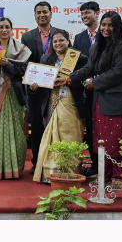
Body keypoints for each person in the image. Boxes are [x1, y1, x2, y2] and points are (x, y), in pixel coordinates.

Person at [61, 11, 122, 190]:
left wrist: (94, 83)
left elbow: (119, 72)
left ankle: (120, 176)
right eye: (104, 25)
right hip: (102, 100)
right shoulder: (96, 47)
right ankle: (105, 174)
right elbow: (88, 68)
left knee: (119, 139)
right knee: (103, 139)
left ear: (117, 27)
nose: (106, 28)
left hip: (121, 101)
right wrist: (68, 79)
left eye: (111, 25)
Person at [31, 29, 89, 183]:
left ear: (68, 41)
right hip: (52, 102)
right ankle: (51, 173)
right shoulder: (45, 59)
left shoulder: (80, 58)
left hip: (72, 102)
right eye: (55, 41)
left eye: (61, 40)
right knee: (52, 137)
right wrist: (35, 87)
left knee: (71, 136)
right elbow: (41, 82)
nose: (58, 44)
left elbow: (84, 81)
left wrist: (69, 81)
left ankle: (72, 172)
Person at [0, 17, 31, 179]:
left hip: (14, 94)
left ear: (12, 30)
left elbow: (25, 71)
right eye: (1, 27)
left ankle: (15, 168)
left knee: (17, 132)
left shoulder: (21, 49)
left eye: (7, 27)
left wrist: (9, 65)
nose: (4, 30)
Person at [21, 2, 53, 174]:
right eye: (38, 12)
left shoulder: (60, 34)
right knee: (37, 126)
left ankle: (53, 161)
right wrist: (31, 81)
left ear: (51, 14)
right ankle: (36, 162)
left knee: (54, 124)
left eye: (45, 12)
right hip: (34, 89)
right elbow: (25, 63)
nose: (42, 15)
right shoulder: (27, 37)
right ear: (34, 16)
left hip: (55, 88)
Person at [71, 1, 100, 175]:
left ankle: (107, 166)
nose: (84, 16)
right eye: (82, 14)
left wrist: (96, 80)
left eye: (87, 13)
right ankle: (95, 164)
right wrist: (84, 81)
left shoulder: (107, 34)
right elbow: (76, 65)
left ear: (97, 13)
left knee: (104, 127)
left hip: (105, 89)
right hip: (86, 91)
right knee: (90, 127)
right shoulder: (79, 38)